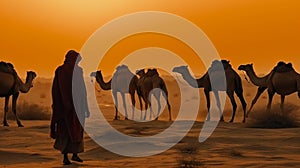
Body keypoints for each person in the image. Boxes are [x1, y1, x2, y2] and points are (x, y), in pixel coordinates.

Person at [50, 50, 90, 165]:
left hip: (74, 107)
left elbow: (81, 89)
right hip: (66, 108)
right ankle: (66, 157)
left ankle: (74, 155)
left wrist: (84, 106)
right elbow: (58, 88)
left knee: (75, 130)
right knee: (66, 132)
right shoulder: (63, 71)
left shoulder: (75, 70)